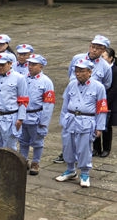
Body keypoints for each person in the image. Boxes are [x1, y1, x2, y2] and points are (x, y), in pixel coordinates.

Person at [55, 59, 108, 187]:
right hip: (71, 119)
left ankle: (85, 173)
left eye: (82, 71)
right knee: (68, 146)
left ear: (90, 72)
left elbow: (102, 108)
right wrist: (63, 119)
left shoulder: (98, 87)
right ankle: (70, 170)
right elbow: (65, 104)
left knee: (84, 148)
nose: (78, 74)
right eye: (76, 71)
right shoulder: (72, 85)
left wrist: (100, 127)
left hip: (86, 121)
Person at [18, 54, 55, 175]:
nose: (30, 67)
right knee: (23, 141)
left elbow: (49, 104)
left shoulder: (46, 82)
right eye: (29, 64)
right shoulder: (22, 78)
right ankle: (23, 160)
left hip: (36, 115)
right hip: (23, 115)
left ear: (41, 66)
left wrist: (44, 121)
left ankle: (36, 162)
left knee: (37, 142)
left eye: (34, 64)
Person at [0, 53, 28, 151]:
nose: (0, 67)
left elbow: (23, 100)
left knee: (10, 148)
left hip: (10, 117)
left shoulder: (19, 78)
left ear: (10, 63)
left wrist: (20, 118)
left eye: (2, 65)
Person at [92, 47, 115, 157]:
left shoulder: (115, 70)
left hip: (108, 102)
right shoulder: (97, 67)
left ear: (110, 58)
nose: (101, 58)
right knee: (95, 124)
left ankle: (106, 148)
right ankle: (96, 148)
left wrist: (105, 101)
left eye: (104, 56)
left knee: (106, 126)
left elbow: (114, 89)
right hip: (96, 100)